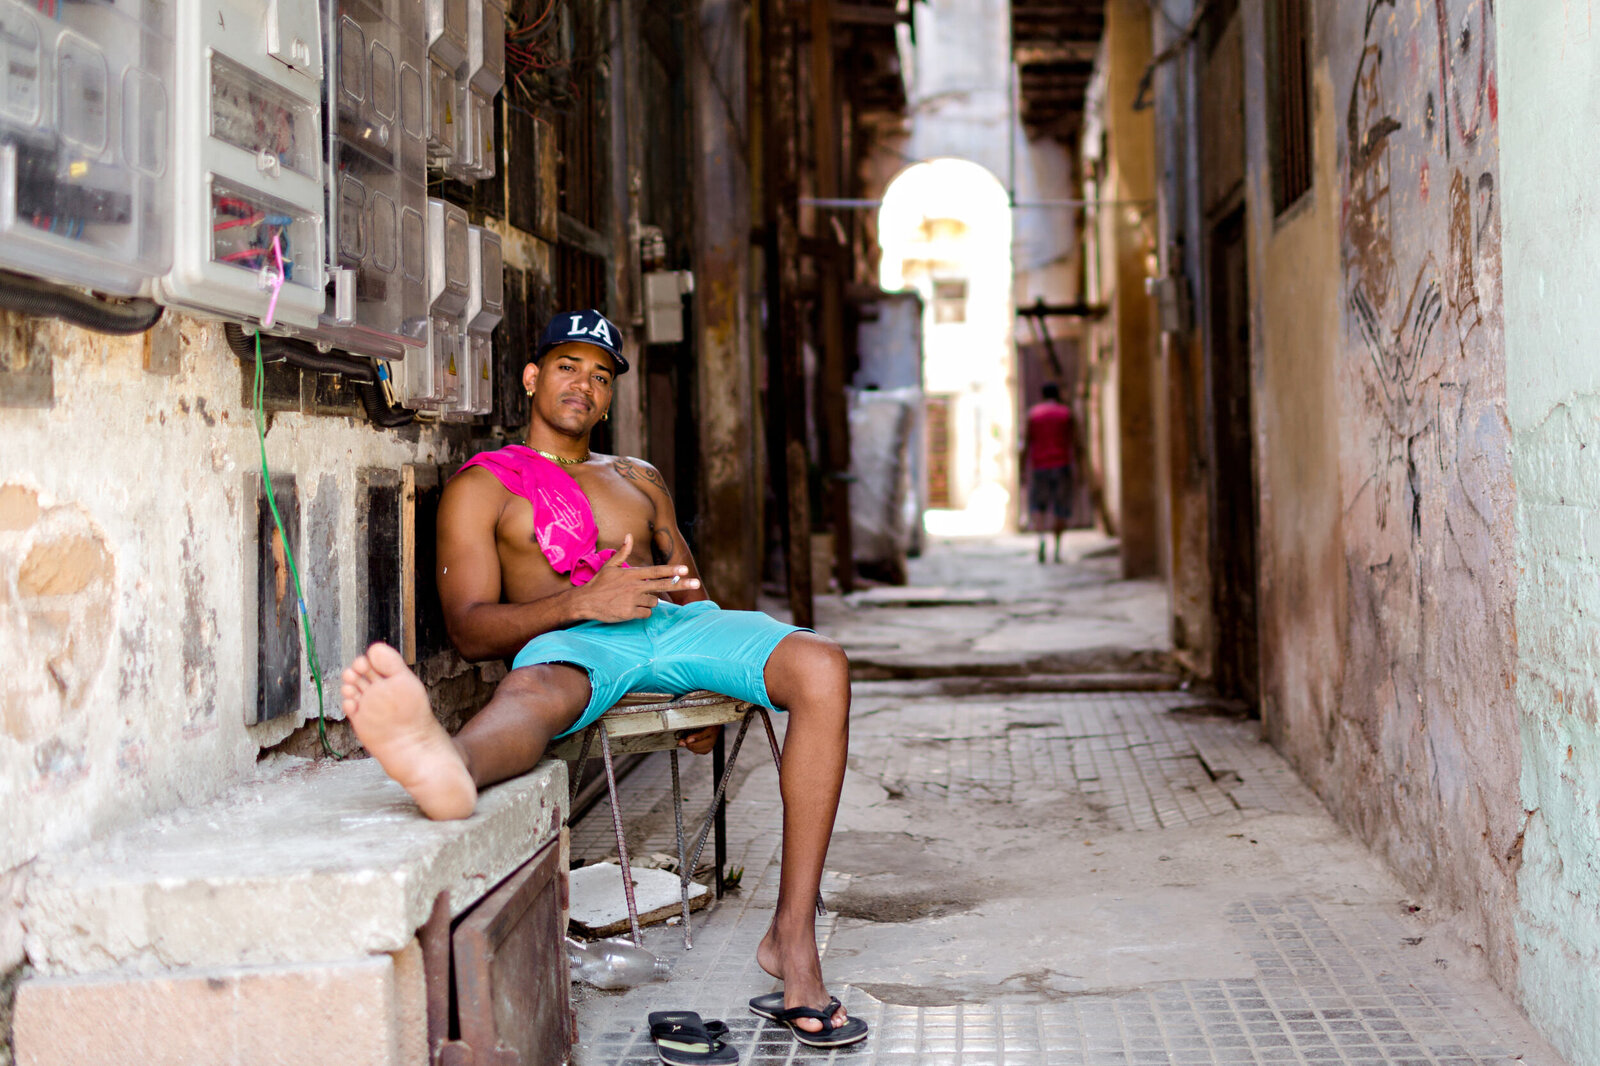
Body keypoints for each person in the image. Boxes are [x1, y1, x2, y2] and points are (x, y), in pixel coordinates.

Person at [338, 309, 866, 1048]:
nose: (583, 384)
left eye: (600, 374)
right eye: (567, 367)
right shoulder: (484, 487)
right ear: (531, 377)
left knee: (822, 665)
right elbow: (469, 627)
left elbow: (685, 583)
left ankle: (793, 938)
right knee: (529, 696)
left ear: (611, 393)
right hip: (575, 639)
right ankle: (447, 765)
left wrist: (715, 676)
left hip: (673, 631)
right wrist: (580, 602)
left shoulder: (637, 478)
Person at [1022, 382, 1075, 564]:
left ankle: (1041, 539)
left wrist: (1022, 469)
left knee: (1038, 507)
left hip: (1039, 466)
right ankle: (1058, 549)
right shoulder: (1065, 413)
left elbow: (1026, 442)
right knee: (1061, 508)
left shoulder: (1034, 415)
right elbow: (1075, 441)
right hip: (1061, 465)